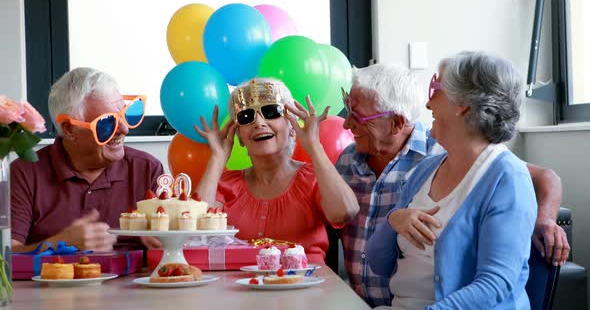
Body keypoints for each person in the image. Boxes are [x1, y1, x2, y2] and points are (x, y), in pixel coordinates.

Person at [335, 63, 569, 307]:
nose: (428, 104)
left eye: (436, 87)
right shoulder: (426, 170)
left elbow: (495, 284)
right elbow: (379, 262)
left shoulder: (505, 174)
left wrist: (543, 220)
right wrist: (395, 219)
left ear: (464, 105)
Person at [194, 78, 359, 264]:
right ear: (239, 135)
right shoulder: (227, 185)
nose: (258, 122)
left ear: (291, 126)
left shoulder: (314, 179)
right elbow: (194, 229)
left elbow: (345, 212)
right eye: (246, 117)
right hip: (240, 290)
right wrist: (218, 157)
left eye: (271, 112)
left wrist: (314, 146)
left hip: (305, 289)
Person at [11, 67, 164, 252]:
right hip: (54, 280)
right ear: (69, 129)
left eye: (125, 115)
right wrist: (58, 244)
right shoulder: (24, 173)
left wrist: (164, 241)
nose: (124, 129)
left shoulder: (147, 169)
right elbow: (6, 257)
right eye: (108, 122)